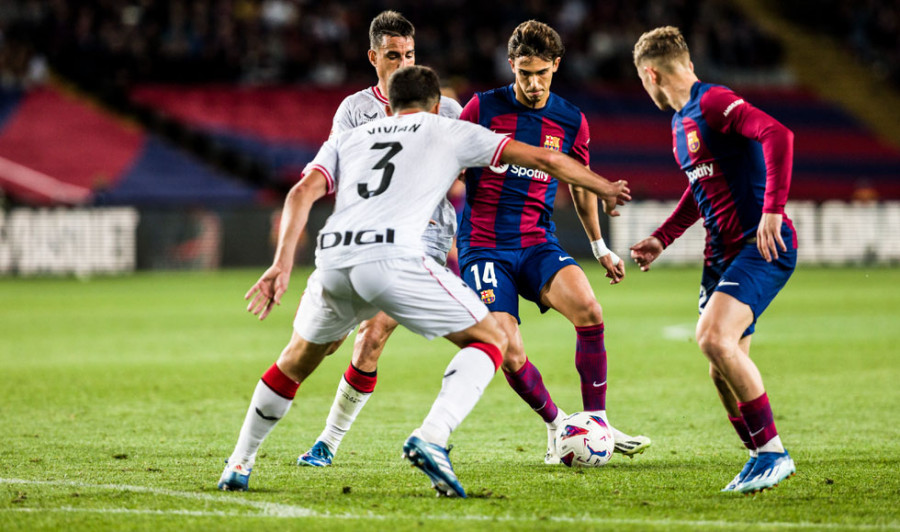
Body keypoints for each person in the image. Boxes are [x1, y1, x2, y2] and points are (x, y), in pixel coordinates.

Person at [217, 65, 632, 498]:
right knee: (492, 340)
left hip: (334, 260)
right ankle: (431, 437)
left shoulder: (348, 136)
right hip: (392, 259)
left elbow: (301, 193)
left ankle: (239, 463)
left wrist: (282, 265)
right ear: (437, 106)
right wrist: (601, 185)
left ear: (389, 104)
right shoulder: (444, 130)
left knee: (294, 363)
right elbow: (546, 159)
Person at [457, 20, 650, 464]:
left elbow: (578, 184)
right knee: (506, 347)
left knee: (589, 308)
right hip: (485, 246)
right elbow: (450, 165)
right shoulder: (481, 109)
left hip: (537, 241)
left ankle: (596, 424)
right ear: (511, 66)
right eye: (524, 72)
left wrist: (599, 245)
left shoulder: (569, 119)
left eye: (541, 72)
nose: (532, 82)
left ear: (556, 66)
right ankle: (558, 425)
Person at [629, 26, 797, 494]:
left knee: (711, 339)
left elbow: (777, 134)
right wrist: (662, 238)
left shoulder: (712, 102)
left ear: (651, 74)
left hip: (760, 246)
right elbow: (699, 188)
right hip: (720, 254)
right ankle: (757, 456)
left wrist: (773, 210)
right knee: (720, 368)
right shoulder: (680, 122)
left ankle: (773, 454)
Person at [296, 10, 463, 468]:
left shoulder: (444, 107)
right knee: (323, 343)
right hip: (366, 237)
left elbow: (470, 166)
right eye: (393, 55)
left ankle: (327, 442)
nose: (404, 63)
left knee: (373, 334)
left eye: (410, 54)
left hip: (423, 237)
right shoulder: (354, 110)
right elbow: (341, 171)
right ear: (373, 57)